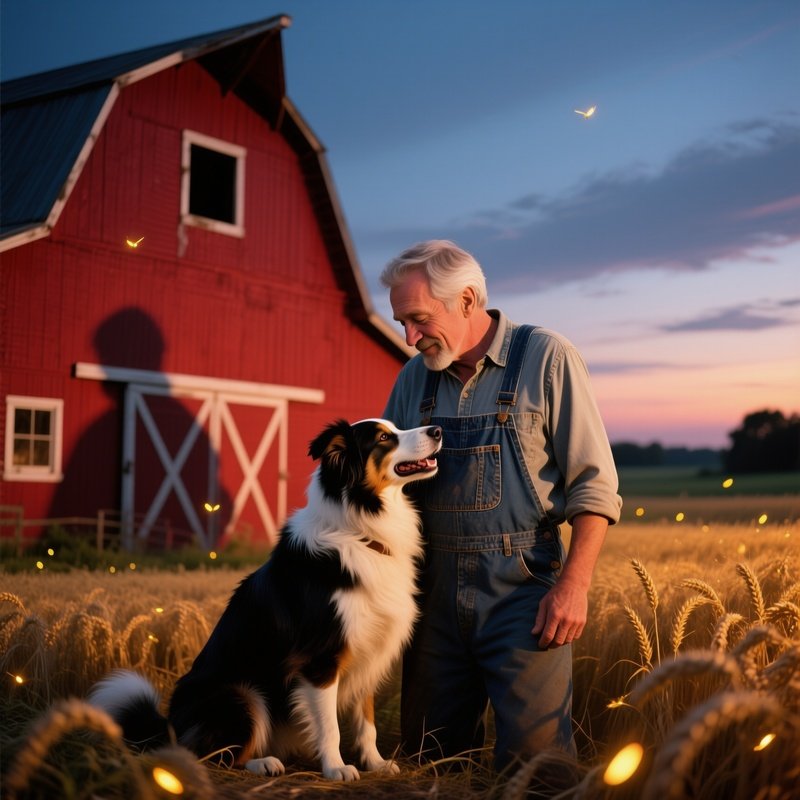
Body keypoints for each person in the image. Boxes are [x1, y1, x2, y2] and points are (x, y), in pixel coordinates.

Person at [380, 240, 622, 774]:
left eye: (418, 319)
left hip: (524, 594)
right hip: (430, 594)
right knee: (428, 763)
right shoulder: (412, 380)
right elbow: (381, 487)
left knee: (538, 767)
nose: (409, 337)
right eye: (402, 322)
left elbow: (594, 486)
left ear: (467, 300)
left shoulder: (546, 358)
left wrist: (574, 586)